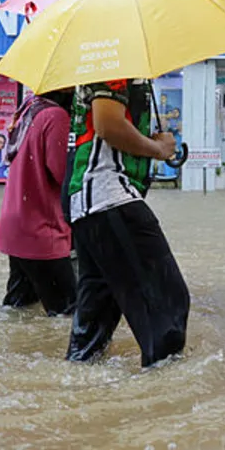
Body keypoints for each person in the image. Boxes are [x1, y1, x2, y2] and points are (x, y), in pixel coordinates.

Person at [64, 79, 189, 369]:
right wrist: (159, 150)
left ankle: (79, 393)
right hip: (110, 195)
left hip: (90, 203)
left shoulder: (111, 60)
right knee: (167, 303)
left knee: (94, 326)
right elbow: (108, 125)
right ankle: (164, 405)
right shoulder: (113, 58)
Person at [0, 90, 77, 317]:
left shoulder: (29, 109)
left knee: (18, 309)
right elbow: (62, 175)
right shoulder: (56, 116)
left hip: (16, 226)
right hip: (42, 232)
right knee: (67, 312)